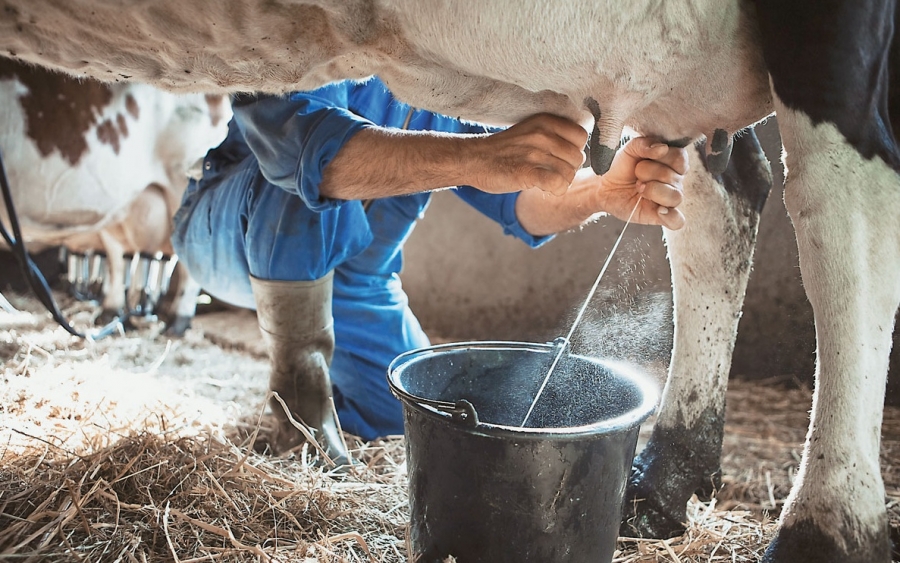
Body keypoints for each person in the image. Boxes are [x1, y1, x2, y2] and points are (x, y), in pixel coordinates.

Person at [171, 77, 687, 464]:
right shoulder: (315, 29)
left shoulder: (440, 77)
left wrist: (600, 191)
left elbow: (521, 203)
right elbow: (307, 154)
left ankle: (336, 398)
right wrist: (481, 158)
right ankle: (297, 404)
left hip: (358, 285)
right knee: (304, 181)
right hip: (226, 229)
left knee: (414, 415)